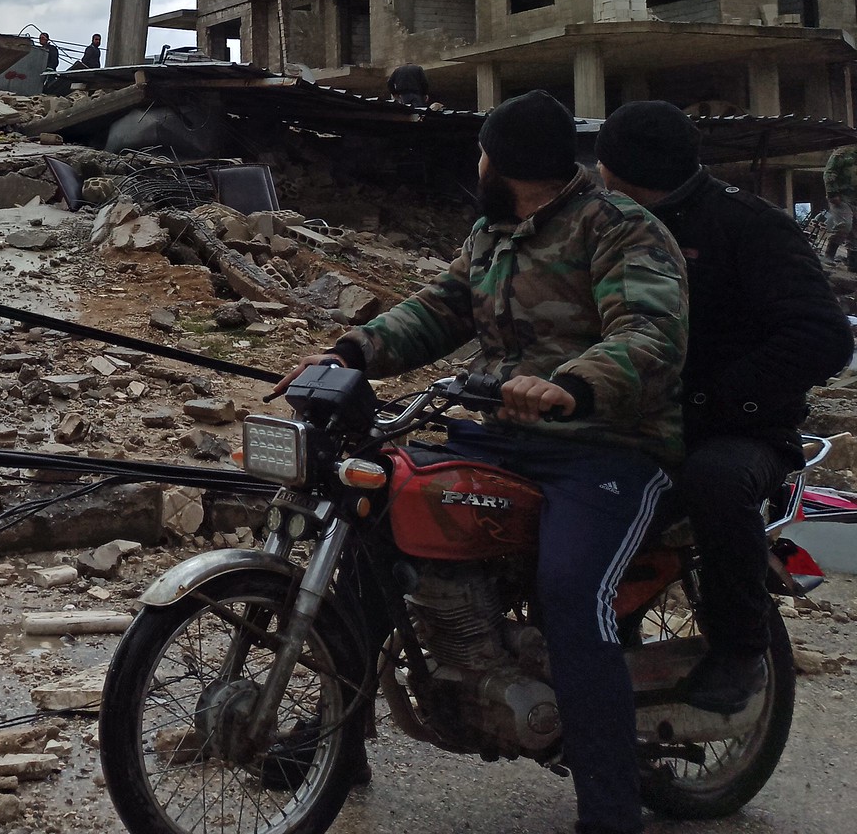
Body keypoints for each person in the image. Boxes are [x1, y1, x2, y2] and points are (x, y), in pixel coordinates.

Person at [280, 89, 686, 834]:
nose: (478, 164)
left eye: (483, 152)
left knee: (572, 592)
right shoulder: (494, 232)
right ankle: (335, 743)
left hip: (610, 446)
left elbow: (650, 339)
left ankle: (609, 806)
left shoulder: (622, 229)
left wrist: (568, 387)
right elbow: (437, 310)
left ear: (503, 162)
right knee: (374, 528)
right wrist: (349, 353)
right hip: (502, 433)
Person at [596, 100, 854, 713]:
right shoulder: (607, 223)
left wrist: (717, 398)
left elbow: (822, 336)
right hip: (629, 421)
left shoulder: (748, 226)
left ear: (623, 171)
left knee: (715, 483)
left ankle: (740, 648)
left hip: (739, 429)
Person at [823, 142, 857, 267]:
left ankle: (853, 262)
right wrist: (832, 193)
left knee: (855, 232)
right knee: (845, 224)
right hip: (842, 197)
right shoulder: (843, 153)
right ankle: (829, 254)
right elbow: (829, 172)